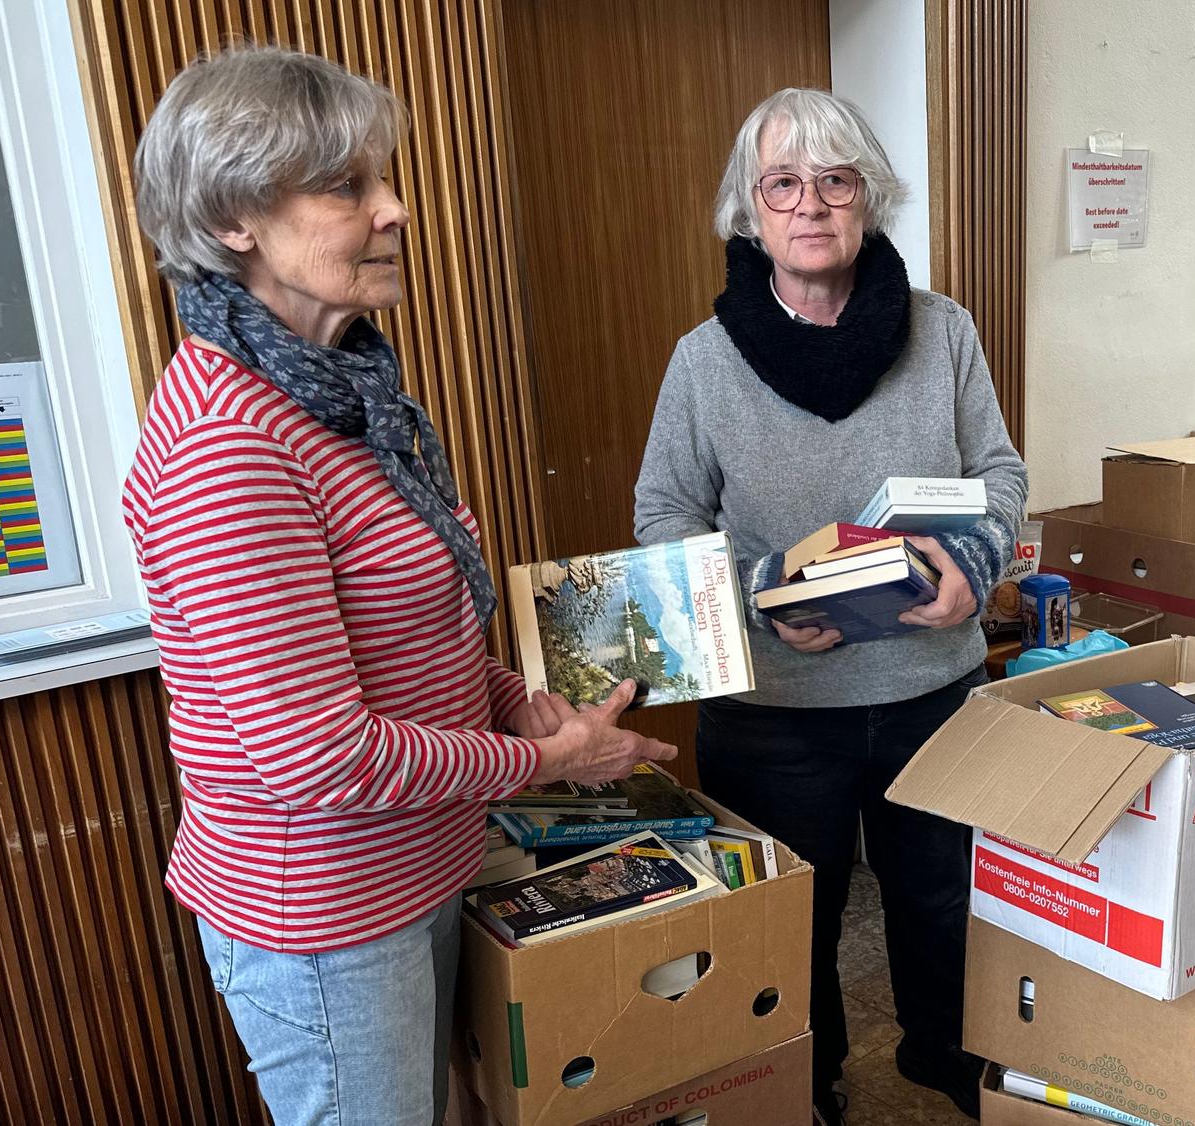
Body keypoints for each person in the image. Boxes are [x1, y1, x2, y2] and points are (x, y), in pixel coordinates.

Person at [124, 46, 675, 1125]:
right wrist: (546, 760)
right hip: (326, 914)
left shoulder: (343, 393)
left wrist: (514, 699)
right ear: (233, 219)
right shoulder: (228, 444)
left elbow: (405, 636)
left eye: (384, 177)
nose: (396, 208)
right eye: (346, 186)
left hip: (417, 862)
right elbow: (316, 754)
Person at [634, 87, 1028, 1124]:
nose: (809, 204)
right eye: (782, 183)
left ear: (869, 197)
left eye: (835, 180)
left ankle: (944, 1054)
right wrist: (754, 594)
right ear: (749, 209)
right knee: (789, 922)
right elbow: (662, 513)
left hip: (929, 688)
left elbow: (998, 473)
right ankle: (804, 1082)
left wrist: (974, 561)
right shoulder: (703, 360)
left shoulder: (942, 331)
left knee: (942, 897)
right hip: (771, 710)